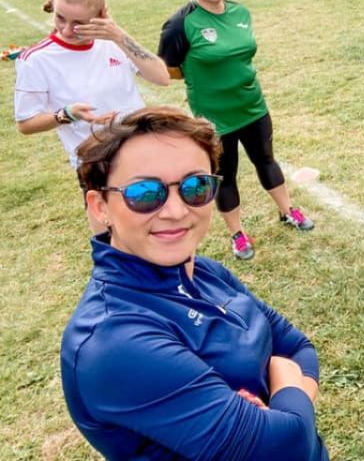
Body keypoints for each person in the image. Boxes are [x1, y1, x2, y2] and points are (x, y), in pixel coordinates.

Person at [61, 106, 330, 461]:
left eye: (196, 186)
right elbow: (287, 447)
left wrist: (288, 407)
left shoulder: (204, 271)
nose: (176, 211)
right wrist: (287, 382)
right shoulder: (114, 340)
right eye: (145, 193)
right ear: (100, 206)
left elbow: (298, 347)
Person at [158, 0, 315, 260]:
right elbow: (166, 69)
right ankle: (238, 234)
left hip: (252, 105)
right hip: (214, 118)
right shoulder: (180, 24)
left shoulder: (239, 12)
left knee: (266, 160)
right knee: (226, 175)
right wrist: (199, 79)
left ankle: (287, 211)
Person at [14, 0, 169, 172]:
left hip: (143, 149)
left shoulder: (113, 42)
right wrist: (67, 114)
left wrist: (120, 36)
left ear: (101, 14)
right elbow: (26, 124)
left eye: (78, 23)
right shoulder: (36, 59)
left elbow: (162, 78)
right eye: (60, 18)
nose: (66, 30)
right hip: (97, 163)